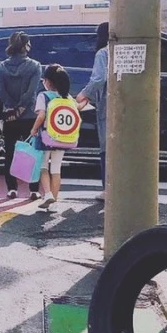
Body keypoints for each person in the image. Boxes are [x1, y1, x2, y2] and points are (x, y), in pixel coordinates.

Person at [0, 31, 43, 201]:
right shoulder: (35, 66)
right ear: (25, 46)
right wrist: (22, 107)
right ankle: (33, 189)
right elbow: (32, 91)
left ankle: (11, 188)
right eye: (28, 43)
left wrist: (11, 107)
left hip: (10, 115)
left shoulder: (2, 67)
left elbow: (0, 91)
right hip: (29, 114)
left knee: (10, 151)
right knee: (33, 151)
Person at [29, 63, 75, 211]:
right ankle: (54, 202)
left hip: (46, 137)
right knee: (56, 168)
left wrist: (33, 129)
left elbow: (41, 115)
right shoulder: (68, 97)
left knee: (43, 166)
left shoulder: (43, 96)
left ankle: (48, 194)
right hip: (63, 137)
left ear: (48, 82)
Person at [77, 21, 109, 197]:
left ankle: (107, 189)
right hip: (125, 106)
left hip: (107, 105)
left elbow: (98, 79)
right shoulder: (121, 51)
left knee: (106, 147)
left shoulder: (103, 53)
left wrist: (84, 94)